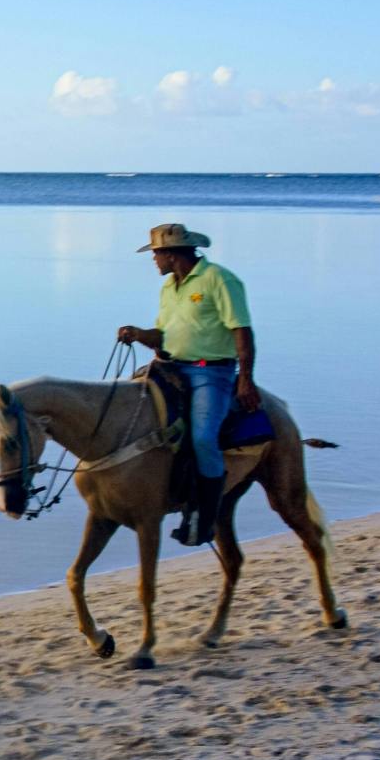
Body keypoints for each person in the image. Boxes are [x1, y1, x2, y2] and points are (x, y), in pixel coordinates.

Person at [115, 223, 258, 547]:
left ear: (172, 253)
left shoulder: (219, 279)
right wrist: (138, 334)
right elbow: (163, 336)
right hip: (170, 368)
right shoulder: (169, 288)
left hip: (212, 372)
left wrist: (245, 380)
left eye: (156, 254)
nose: (153, 260)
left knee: (204, 438)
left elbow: (242, 331)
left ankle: (203, 517)